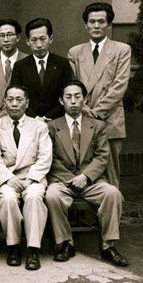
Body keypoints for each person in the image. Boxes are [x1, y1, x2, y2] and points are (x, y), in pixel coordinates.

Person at [45, 80, 128, 267]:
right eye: (68, 97)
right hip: (63, 180)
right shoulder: (51, 126)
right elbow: (49, 158)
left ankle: (108, 245)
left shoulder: (97, 126)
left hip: (91, 181)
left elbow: (102, 156)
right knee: (51, 196)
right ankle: (67, 243)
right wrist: (71, 180)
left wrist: (85, 177)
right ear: (61, 101)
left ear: (85, 99)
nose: (73, 101)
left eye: (77, 96)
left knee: (113, 193)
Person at [67, 2, 131, 188]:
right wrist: (83, 109)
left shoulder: (121, 50)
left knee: (111, 170)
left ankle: (111, 212)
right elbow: (73, 84)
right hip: (82, 116)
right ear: (85, 25)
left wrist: (96, 112)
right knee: (83, 168)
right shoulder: (75, 52)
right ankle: (89, 216)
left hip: (109, 118)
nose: (96, 26)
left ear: (109, 25)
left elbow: (120, 85)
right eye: (92, 21)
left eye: (101, 21)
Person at [0, 84, 52, 270]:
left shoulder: (39, 127)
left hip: (32, 176)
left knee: (34, 197)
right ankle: (13, 246)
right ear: (4, 103)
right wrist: (8, 178)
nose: (14, 104)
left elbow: (45, 156)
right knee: (8, 199)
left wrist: (31, 178)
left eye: (19, 100)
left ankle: (33, 249)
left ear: (27, 103)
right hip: (8, 177)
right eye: (10, 100)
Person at [10, 18, 73, 121]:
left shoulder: (62, 63)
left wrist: (48, 117)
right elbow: (16, 96)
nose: (39, 45)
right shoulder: (20, 66)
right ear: (27, 41)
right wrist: (35, 118)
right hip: (28, 121)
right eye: (34, 40)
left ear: (51, 39)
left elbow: (67, 94)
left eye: (43, 39)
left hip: (57, 120)